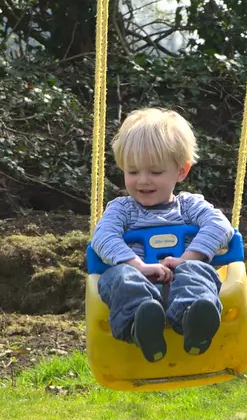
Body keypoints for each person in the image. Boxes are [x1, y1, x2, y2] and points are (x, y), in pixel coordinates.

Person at [92, 108, 232, 362]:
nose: (143, 180)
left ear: (181, 171)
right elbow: (103, 237)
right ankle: (141, 326)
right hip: (138, 281)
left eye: (155, 172)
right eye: (133, 172)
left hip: (181, 280)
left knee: (198, 271)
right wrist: (138, 266)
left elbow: (221, 226)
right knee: (121, 277)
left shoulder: (189, 206)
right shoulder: (121, 209)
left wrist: (188, 259)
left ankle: (193, 320)